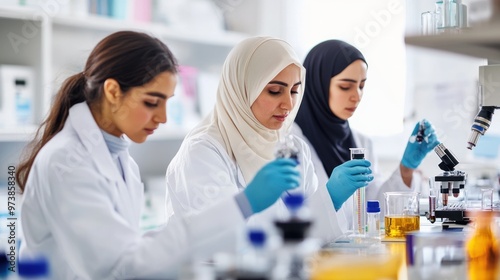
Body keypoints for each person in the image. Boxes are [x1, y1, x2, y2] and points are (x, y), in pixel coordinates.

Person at [16, 31, 300, 279]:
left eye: (167, 102)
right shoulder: (68, 162)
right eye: (152, 102)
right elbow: (119, 264)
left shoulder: (121, 159)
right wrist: (241, 205)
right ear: (113, 92)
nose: (163, 117)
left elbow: (131, 249)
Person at [165, 36, 374, 243]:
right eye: (275, 91)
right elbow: (227, 240)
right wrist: (249, 202)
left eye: (294, 91)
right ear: (243, 88)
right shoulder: (203, 152)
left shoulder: (293, 148)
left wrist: (330, 199)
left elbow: (307, 235)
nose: (289, 105)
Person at [293, 39, 440, 230]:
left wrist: (406, 168)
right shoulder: (292, 143)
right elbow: (290, 220)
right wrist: (330, 198)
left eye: (361, 85)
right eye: (345, 86)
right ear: (317, 84)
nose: (357, 96)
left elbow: (375, 209)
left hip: (357, 253)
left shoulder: (361, 143)